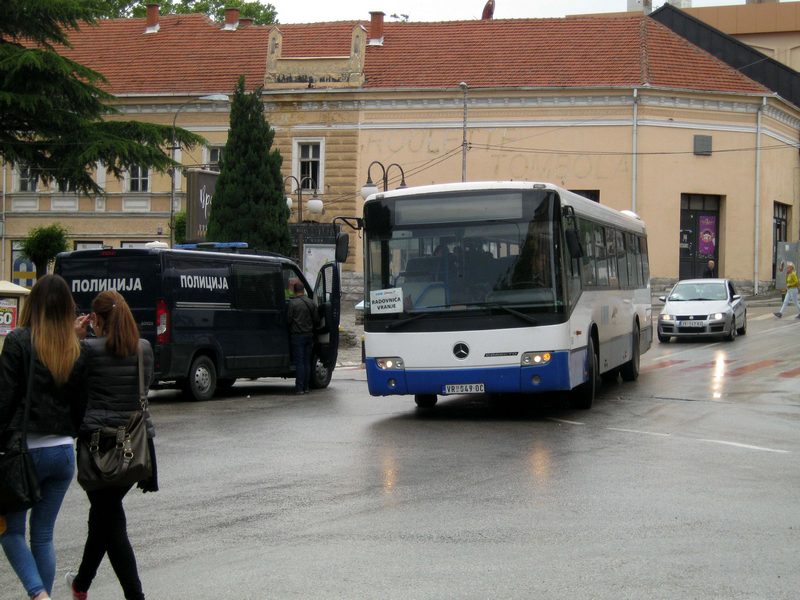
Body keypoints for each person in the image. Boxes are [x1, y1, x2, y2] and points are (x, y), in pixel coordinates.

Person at [0, 274, 88, 600]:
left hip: (25, 454)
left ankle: (39, 595)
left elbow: (4, 400)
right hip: (63, 454)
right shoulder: (74, 348)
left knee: (10, 532)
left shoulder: (19, 340)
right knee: (43, 535)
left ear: (33, 304)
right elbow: (80, 405)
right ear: (67, 308)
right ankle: (43, 595)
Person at [67, 290, 157, 600]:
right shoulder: (143, 349)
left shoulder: (87, 350)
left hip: (97, 448)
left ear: (97, 320)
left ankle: (134, 596)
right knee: (103, 518)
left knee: (110, 522)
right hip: (134, 449)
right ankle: (81, 585)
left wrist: (75, 339)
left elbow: (70, 385)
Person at [287, 281, 318, 394]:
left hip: (297, 336)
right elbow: (316, 319)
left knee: (299, 363)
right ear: (303, 290)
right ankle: (306, 387)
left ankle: (299, 388)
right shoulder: (311, 303)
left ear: (295, 291)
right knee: (307, 362)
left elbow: (288, 320)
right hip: (309, 335)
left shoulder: (293, 303)